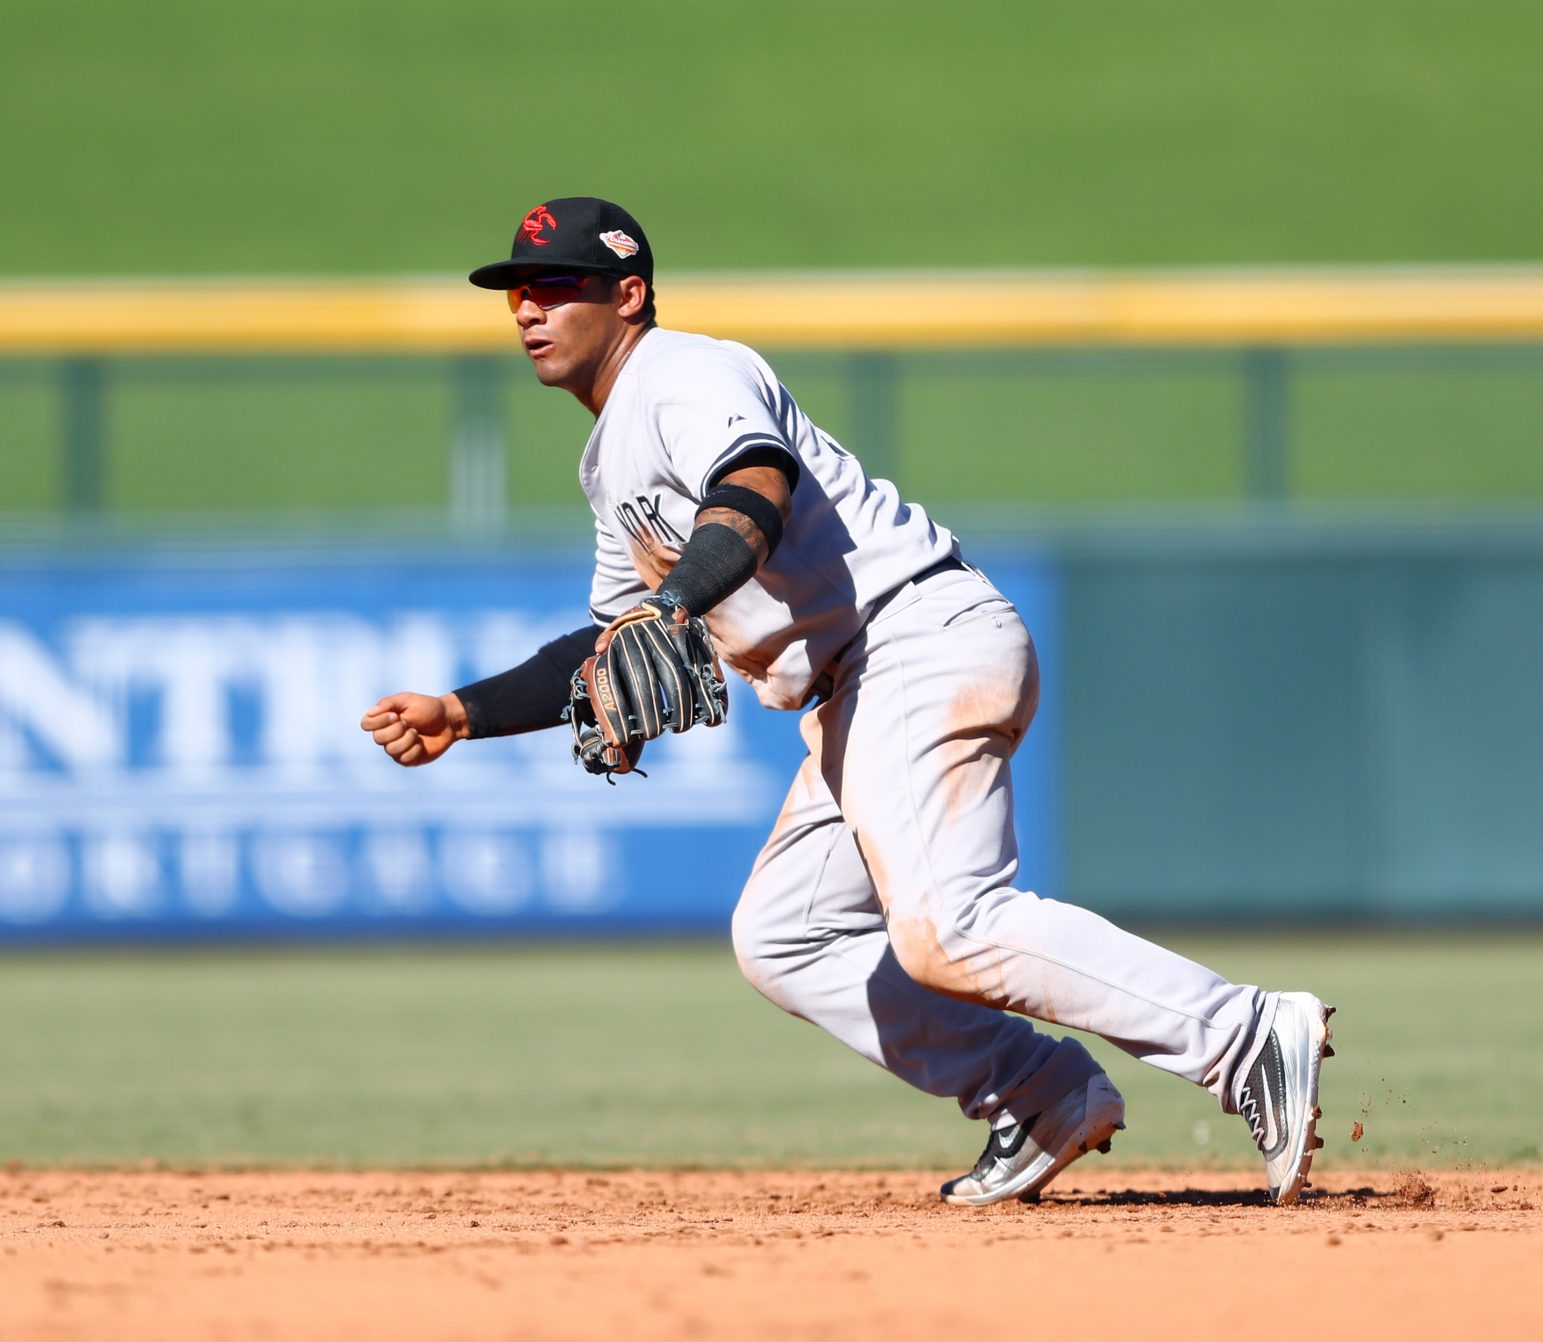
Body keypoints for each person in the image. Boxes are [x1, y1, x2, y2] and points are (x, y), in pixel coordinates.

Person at [361, 196, 1334, 1205]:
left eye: (557, 285)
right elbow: (617, 639)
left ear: (628, 294)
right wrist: (463, 710)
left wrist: (675, 600)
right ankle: (1039, 1091)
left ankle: (1241, 1033)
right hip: (854, 691)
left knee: (946, 926)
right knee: (785, 935)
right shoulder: (608, 459)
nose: (528, 307)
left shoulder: (682, 372)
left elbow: (755, 480)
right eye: (518, 291)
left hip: (909, 638)